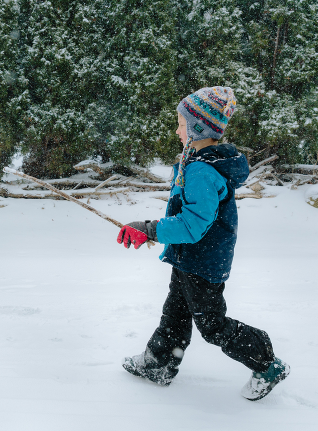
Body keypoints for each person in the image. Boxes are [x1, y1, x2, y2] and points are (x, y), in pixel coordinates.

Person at [116, 86, 289, 401]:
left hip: (202, 260)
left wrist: (151, 230)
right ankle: (159, 363)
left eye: (181, 123)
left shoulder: (201, 171)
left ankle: (266, 363)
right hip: (190, 257)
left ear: (198, 128)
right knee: (176, 312)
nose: (177, 129)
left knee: (213, 326)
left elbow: (193, 224)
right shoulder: (195, 162)